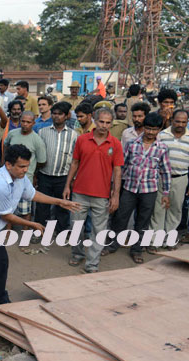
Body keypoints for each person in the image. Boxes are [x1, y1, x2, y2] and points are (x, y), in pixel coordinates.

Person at [0, 145, 80, 346]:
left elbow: (32, 194)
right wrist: (32, 224)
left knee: (1, 264)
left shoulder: (20, 178)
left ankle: (0, 299)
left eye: (27, 166)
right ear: (8, 165)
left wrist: (59, 202)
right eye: (21, 166)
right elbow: (6, 216)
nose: (25, 170)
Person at [101, 112, 171, 264]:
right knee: (120, 217)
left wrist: (166, 193)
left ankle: (137, 250)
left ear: (159, 130)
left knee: (143, 220)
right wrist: (115, 188)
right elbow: (122, 166)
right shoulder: (132, 144)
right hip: (129, 188)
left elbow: (165, 172)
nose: (151, 132)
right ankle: (112, 245)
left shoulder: (162, 148)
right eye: (148, 128)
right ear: (144, 127)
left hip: (149, 190)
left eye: (154, 129)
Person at [64, 108, 123, 273]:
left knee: (98, 231)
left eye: (108, 122)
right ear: (95, 121)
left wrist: (115, 195)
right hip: (79, 193)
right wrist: (67, 186)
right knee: (76, 227)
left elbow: (117, 170)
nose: (104, 125)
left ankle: (92, 264)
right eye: (101, 121)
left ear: (112, 124)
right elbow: (74, 163)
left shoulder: (115, 144)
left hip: (102, 195)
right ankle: (77, 254)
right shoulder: (82, 139)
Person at [149, 109, 189, 252]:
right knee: (158, 210)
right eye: (177, 121)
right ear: (172, 120)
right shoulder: (162, 135)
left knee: (175, 210)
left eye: (184, 122)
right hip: (161, 178)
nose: (180, 124)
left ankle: (169, 240)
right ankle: (155, 241)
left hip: (181, 178)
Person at [35, 102, 78, 233]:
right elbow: (38, 154)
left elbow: (75, 159)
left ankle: (61, 232)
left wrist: (72, 180)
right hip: (44, 175)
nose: (56, 116)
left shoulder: (73, 135)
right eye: (54, 113)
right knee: (42, 206)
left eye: (60, 114)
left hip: (63, 177)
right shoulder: (42, 132)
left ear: (66, 116)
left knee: (63, 206)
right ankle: (39, 231)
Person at [4, 111, 47, 221]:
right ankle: (8, 230)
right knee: (8, 209)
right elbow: (5, 146)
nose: (25, 124)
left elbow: (42, 161)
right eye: (23, 121)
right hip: (8, 179)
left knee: (25, 210)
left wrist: (32, 172)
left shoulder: (37, 140)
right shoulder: (12, 134)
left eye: (28, 122)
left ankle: (26, 230)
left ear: (33, 123)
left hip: (25, 180)